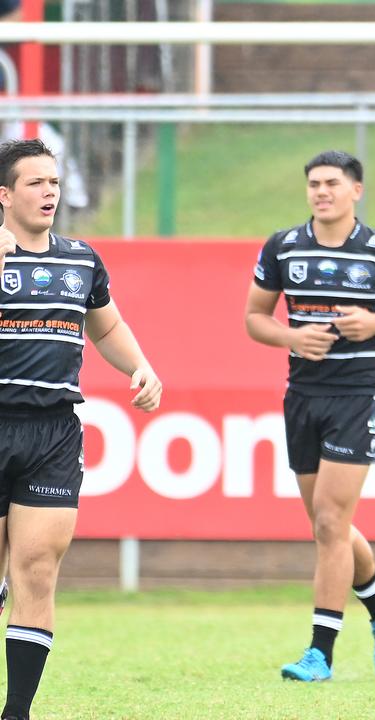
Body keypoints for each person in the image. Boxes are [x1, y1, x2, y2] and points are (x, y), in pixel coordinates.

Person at [245, 150, 375, 682]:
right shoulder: (283, 246)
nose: (321, 192)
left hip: (358, 395)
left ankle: (320, 654)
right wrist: (291, 336)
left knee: (332, 522)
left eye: (332, 183)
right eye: (313, 184)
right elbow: (254, 319)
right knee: (326, 524)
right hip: (302, 395)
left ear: (356, 190)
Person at [0, 138, 162, 719]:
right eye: (36, 182)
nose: (50, 192)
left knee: (37, 568)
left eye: (55, 182)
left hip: (53, 433)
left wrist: (140, 366)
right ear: (5, 194)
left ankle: (16, 713)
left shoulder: (81, 259)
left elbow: (107, 326)